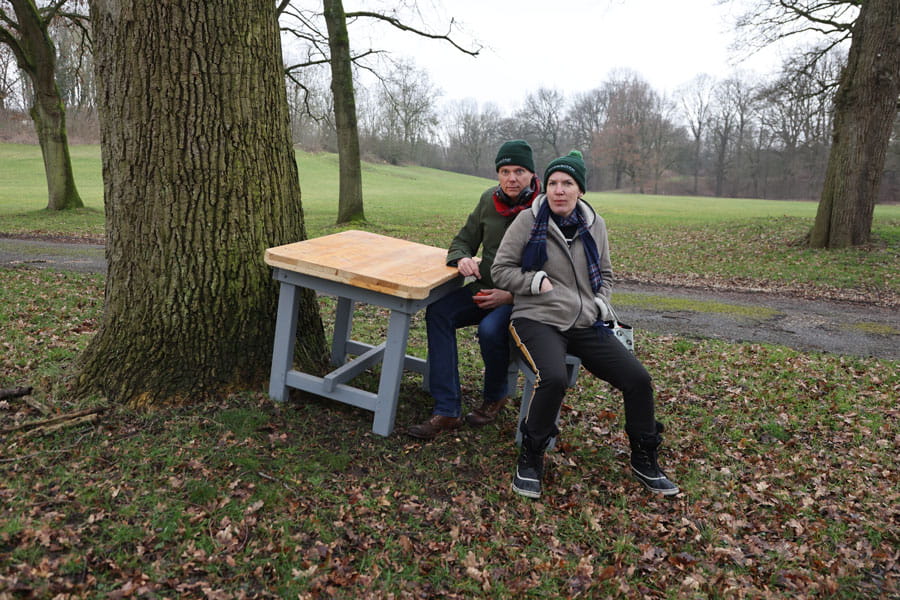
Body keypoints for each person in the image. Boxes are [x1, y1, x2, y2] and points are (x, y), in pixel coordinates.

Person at [491, 150, 679, 498]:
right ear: (544, 188)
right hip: (536, 318)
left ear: (580, 190)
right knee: (554, 377)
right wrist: (534, 283)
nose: (559, 190)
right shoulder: (527, 221)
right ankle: (530, 458)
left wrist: (598, 303)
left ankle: (644, 457)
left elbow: (605, 275)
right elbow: (500, 270)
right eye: (552, 183)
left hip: (585, 322)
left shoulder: (595, 225)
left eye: (567, 183)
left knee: (638, 379)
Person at [407, 140, 541, 439]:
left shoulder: (544, 209)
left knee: (492, 330)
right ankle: (447, 409)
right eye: (505, 171)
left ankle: (495, 396)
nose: (511, 178)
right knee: (439, 312)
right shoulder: (488, 201)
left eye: (519, 171)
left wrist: (511, 297)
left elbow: (557, 275)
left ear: (532, 174)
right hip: (484, 288)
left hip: (521, 299)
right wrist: (463, 257)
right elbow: (462, 240)